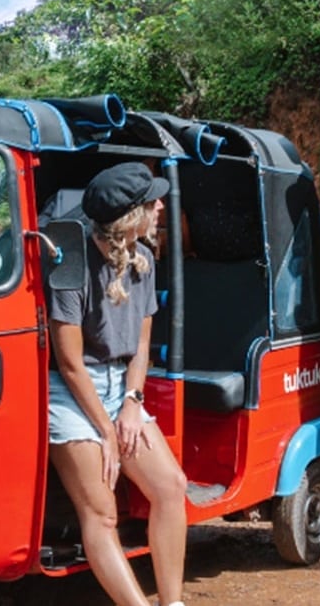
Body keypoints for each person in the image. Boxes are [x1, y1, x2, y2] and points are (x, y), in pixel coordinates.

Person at [47, 162, 188, 606]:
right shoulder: (72, 266)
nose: (161, 206)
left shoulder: (142, 262)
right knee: (101, 512)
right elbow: (69, 363)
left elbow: (141, 347)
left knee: (172, 486)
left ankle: (173, 602)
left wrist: (131, 403)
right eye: (153, 202)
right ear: (132, 215)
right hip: (71, 391)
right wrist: (106, 431)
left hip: (119, 386)